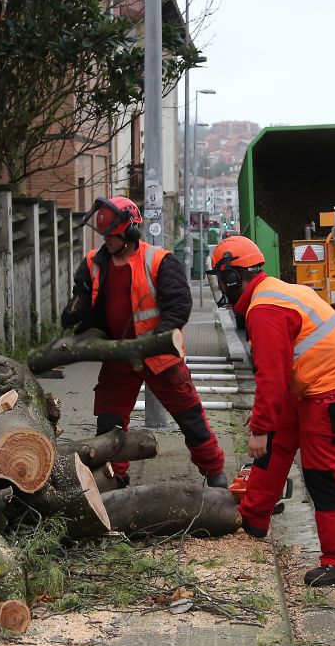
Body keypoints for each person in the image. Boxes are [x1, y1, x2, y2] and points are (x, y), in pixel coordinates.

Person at [208, 235, 335, 587]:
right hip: (312, 382)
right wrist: (264, 424)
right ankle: (253, 518)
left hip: (333, 385)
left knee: (322, 472)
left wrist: (258, 430)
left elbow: (271, 374)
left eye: (223, 279)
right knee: (276, 443)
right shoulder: (272, 292)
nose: (222, 287)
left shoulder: (264, 308)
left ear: (235, 277)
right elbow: (279, 374)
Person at [62, 196, 228, 488]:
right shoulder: (93, 263)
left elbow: (179, 306)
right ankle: (115, 480)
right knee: (108, 425)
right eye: (105, 236)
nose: (107, 241)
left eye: (112, 236)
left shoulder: (160, 261)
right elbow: (84, 300)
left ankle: (215, 474)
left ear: (130, 232)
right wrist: (76, 314)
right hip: (118, 357)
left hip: (158, 357)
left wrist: (156, 339)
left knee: (190, 418)